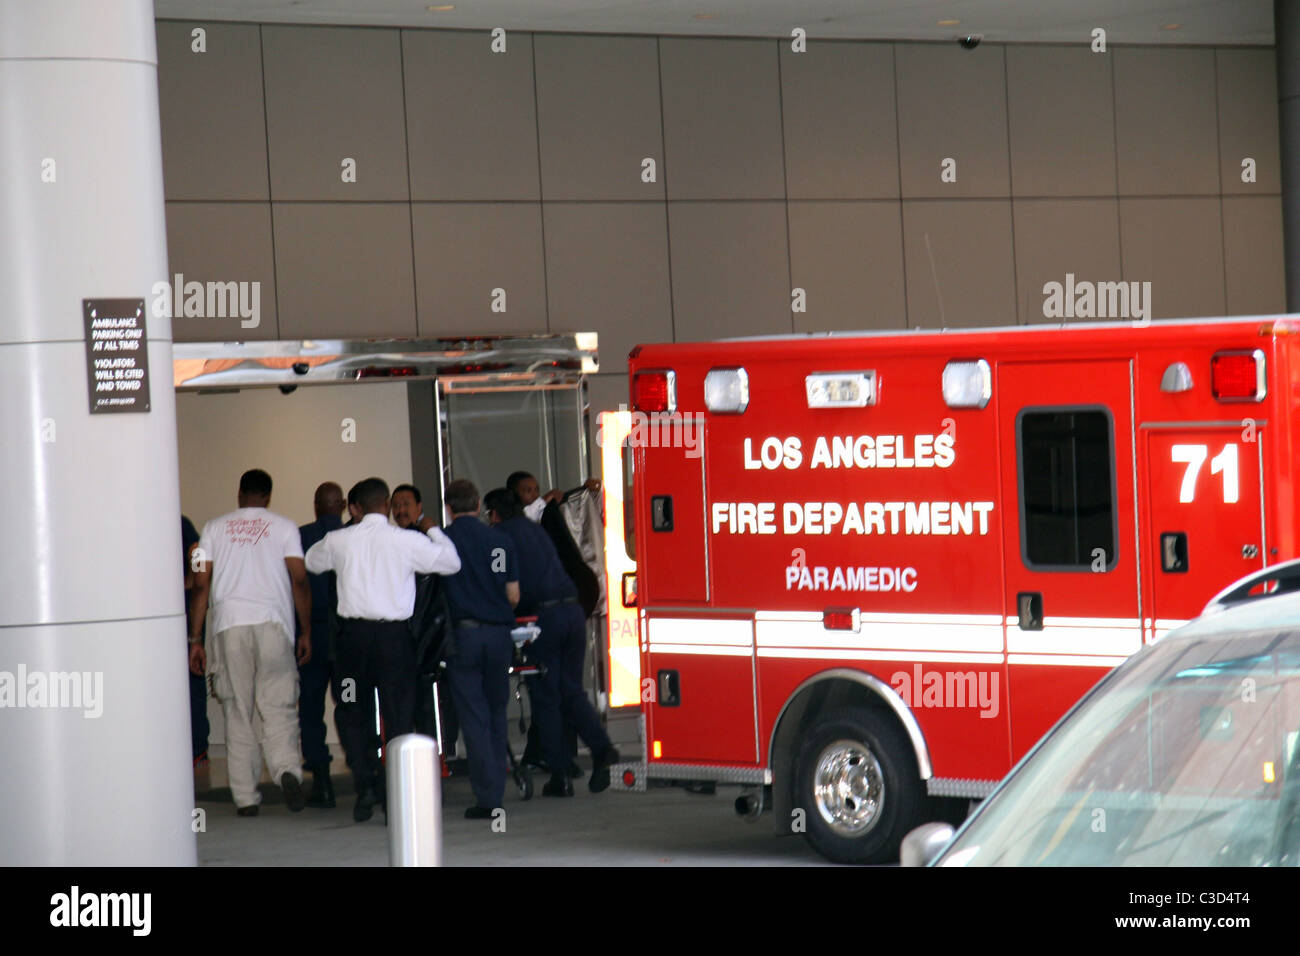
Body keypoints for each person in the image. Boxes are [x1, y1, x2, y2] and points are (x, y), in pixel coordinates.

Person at [305, 477, 461, 822]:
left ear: (354, 508)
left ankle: (366, 786)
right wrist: (431, 529)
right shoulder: (405, 541)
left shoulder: (339, 540)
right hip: (395, 642)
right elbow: (451, 563)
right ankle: (396, 798)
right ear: (388, 504)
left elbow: (312, 562)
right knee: (399, 714)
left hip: (353, 642)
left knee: (350, 711)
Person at [188, 469, 312, 817]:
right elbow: (299, 579)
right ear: (268, 497)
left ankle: (245, 797)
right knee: (278, 706)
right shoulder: (285, 527)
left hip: (229, 626)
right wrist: (305, 631)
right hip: (274, 625)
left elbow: (200, 584)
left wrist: (195, 640)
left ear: (239, 492)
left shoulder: (213, 528)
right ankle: (287, 770)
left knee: (237, 710)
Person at [484, 489, 620, 796]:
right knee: (570, 689)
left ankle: (560, 775)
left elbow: (503, 585)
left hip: (542, 620)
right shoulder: (536, 529)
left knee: (546, 696)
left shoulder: (499, 537)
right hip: (572, 612)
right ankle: (601, 748)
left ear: (494, 514)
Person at [440, 479, 519, 819]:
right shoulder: (498, 541)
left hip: (464, 637)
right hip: (499, 636)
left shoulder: (443, 542)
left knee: (473, 715)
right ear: (477, 505)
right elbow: (512, 594)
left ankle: (487, 797)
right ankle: (497, 790)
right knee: (496, 709)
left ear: (448, 509)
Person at [297, 482, 346, 808]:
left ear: (315, 505)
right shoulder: (353, 535)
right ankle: (365, 772)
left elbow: (294, 584)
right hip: (346, 635)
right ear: (342, 504)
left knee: (311, 708)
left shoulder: (300, 536)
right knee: (351, 705)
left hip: (311, 633)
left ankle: (323, 782)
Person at [182, 515, 210, 770]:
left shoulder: (177, 522)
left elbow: (196, 551)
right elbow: (196, 551)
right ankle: (197, 751)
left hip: (174, 613)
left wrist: (192, 583)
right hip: (180, 612)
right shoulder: (179, 522)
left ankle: (196, 749)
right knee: (191, 682)